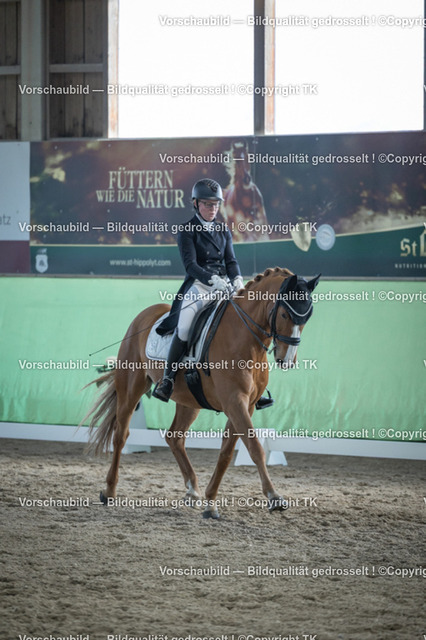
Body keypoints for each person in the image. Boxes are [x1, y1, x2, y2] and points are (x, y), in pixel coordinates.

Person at [153, 178, 272, 410]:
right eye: (207, 204)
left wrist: (237, 279)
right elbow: (191, 265)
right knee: (185, 326)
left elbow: (231, 261)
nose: (213, 209)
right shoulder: (187, 231)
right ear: (196, 204)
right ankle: (167, 379)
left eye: (216, 204)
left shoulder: (222, 230)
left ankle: (256, 385)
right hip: (200, 286)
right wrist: (212, 279)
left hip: (225, 286)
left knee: (246, 321)